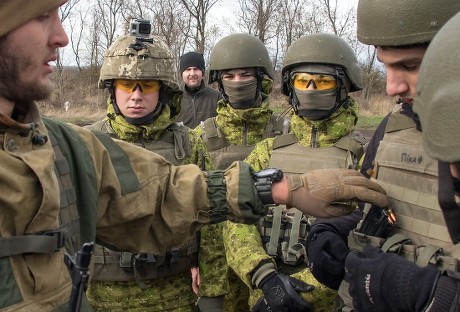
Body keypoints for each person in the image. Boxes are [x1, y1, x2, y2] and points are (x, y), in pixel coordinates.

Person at [0, 1, 390, 310]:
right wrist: (264, 274)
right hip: (107, 293)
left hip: (180, 290)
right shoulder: (89, 139)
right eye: (40, 15)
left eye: (148, 85)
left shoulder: (62, 146)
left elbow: (174, 196)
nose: (63, 36)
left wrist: (281, 190)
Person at [304, 1, 460, 311]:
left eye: (411, 66)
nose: (391, 87)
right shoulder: (392, 128)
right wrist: (337, 232)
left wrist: (438, 295)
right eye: (384, 64)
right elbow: (375, 206)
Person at [223, 33, 366, 312]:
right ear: (291, 87)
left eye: (323, 81)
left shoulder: (360, 157)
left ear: (344, 85)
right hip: (263, 295)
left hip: (328, 301)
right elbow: (235, 216)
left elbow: (364, 242)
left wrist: (304, 292)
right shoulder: (267, 150)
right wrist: (264, 277)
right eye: (303, 81)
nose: (311, 89)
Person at [84, 34, 213, 311]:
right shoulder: (86, 144)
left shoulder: (189, 144)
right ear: (112, 88)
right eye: (127, 85)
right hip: (105, 297)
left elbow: (213, 215)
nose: (136, 95)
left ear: (164, 89)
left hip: (175, 293)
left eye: (148, 85)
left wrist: (210, 279)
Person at [193, 33, 288, 311]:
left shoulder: (284, 133)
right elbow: (191, 200)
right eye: (229, 76)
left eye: (245, 75)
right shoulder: (202, 135)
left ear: (262, 79)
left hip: (271, 258)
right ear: (218, 82)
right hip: (216, 261)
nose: (237, 82)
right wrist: (192, 260)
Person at [176, 51, 220, 128]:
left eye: (196, 69)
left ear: (202, 72)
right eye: (188, 69)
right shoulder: (173, 99)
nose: (192, 73)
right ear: (181, 74)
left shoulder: (217, 97)